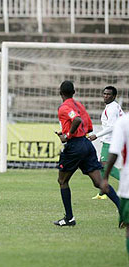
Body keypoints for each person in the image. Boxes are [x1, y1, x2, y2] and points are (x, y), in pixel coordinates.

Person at [53, 81, 120, 227]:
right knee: (99, 182)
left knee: (62, 181)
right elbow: (87, 124)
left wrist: (68, 135)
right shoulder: (79, 105)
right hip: (86, 144)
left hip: (74, 146)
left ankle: (69, 218)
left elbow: (76, 119)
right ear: (74, 92)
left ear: (60, 92)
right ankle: (124, 211)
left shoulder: (64, 107)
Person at [88, 86, 123, 199]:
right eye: (104, 94)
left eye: (108, 94)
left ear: (114, 96)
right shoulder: (112, 106)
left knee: (106, 165)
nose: (105, 96)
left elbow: (112, 126)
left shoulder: (112, 108)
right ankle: (102, 192)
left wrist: (96, 135)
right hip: (112, 139)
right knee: (102, 166)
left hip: (111, 140)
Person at [101, 112, 129, 255]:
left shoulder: (123, 122)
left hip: (127, 185)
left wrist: (104, 178)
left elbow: (115, 152)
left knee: (127, 226)